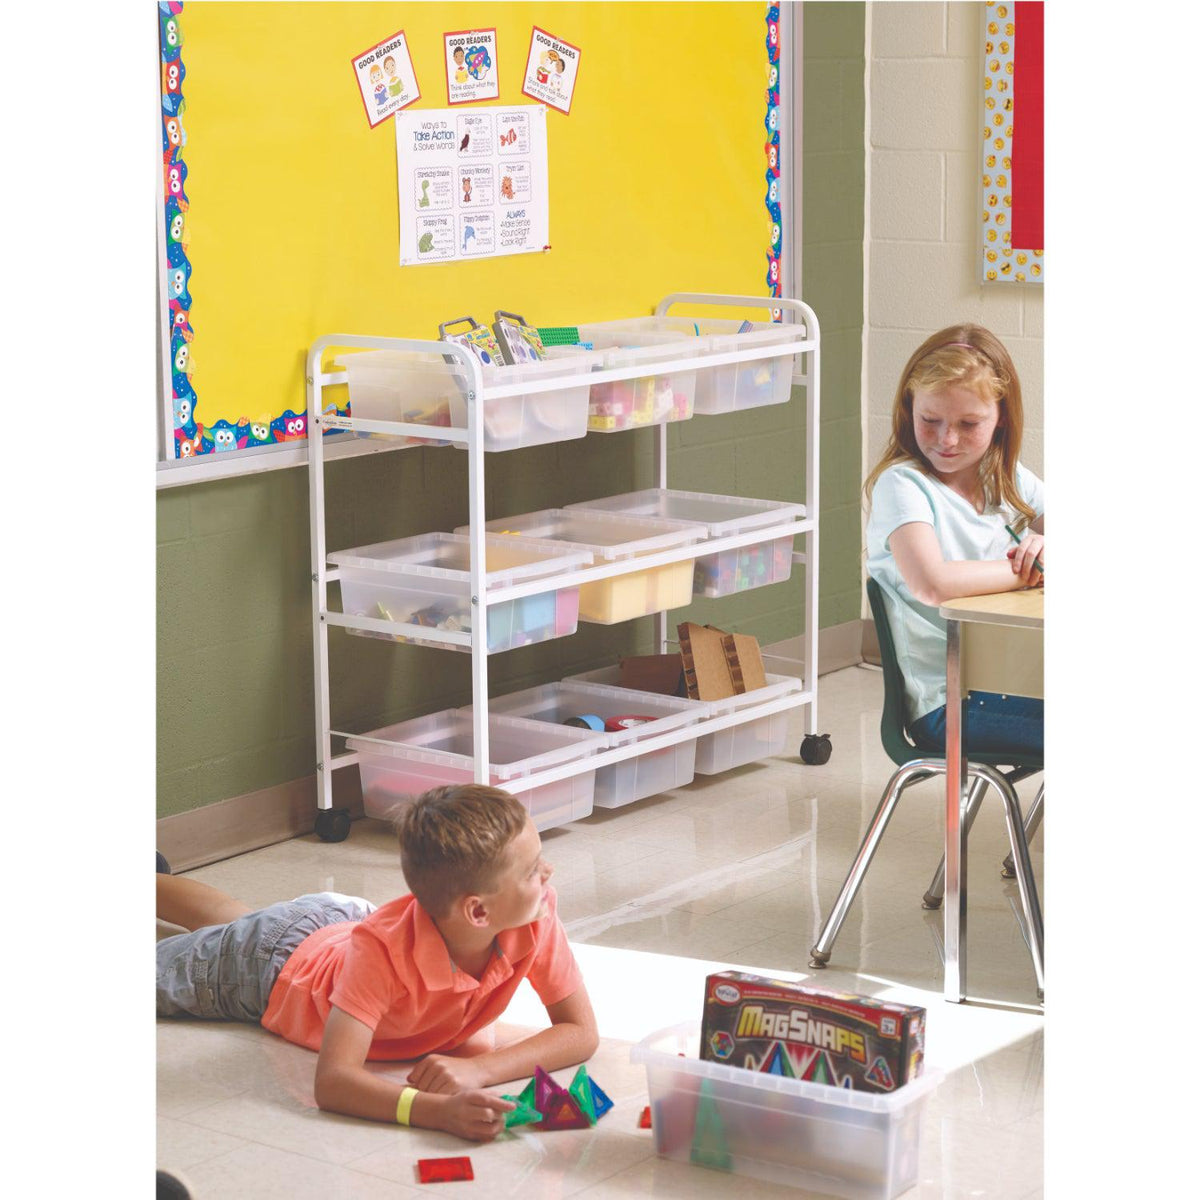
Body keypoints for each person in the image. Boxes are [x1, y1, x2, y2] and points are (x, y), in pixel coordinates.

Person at [156, 785, 598, 1142]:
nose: (549, 873)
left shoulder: (534, 912)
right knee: (222, 944)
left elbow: (580, 1032)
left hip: (340, 923)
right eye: (532, 870)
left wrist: (480, 1069)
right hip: (270, 966)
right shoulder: (383, 954)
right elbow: (333, 1081)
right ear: (478, 913)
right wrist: (435, 1111)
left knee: (237, 922)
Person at [864, 323, 1044, 755]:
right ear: (910, 410)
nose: (947, 439)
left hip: (1019, 679)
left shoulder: (1006, 478)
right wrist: (1028, 572)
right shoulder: (903, 486)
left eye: (969, 423)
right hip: (947, 703)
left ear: (1001, 419)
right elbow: (933, 583)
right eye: (930, 420)